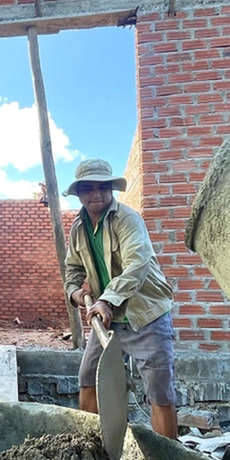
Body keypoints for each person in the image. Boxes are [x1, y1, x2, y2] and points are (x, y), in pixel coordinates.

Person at [63, 158, 178, 439]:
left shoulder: (128, 218)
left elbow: (137, 264)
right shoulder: (79, 229)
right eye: (88, 188)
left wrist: (107, 300)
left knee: (159, 393)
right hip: (108, 321)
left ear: (111, 189)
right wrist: (76, 292)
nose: (97, 195)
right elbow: (72, 269)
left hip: (145, 316)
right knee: (88, 379)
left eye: (103, 187)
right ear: (79, 193)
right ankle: (91, 450)